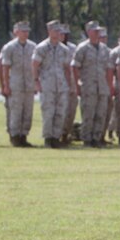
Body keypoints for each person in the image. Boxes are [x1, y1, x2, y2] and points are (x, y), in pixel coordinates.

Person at [72, 21, 115, 148]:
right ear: (88, 32)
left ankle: (97, 138)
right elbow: (75, 67)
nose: (97, 33)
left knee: (100, 114)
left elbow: (108, 69)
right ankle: (87, 139)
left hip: (102, 87)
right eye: (94, 31)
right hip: (88, 86)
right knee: (88, 114)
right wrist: (77, 84)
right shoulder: (82, 48)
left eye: (98, 31)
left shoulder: (105, 49)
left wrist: (109, 85)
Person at [32, 20, 73, 148]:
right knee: (48, 112)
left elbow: (67, 67)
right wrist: (36, 82)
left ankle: (56, 137)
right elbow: (35, 65)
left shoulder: (64, 49)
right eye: (55, 30)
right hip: (47, 84)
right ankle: (48, 138)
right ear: (49, 31)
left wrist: (70, 84)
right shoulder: (41, 48)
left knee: (60, 112)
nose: (57, 33)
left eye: (58, 31)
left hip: (61, 85)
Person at [0, 21, 37, 147]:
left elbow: (37, 66)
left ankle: (24, 136)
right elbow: (5, 67)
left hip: (29, 84)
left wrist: (36, 82)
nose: (25, 33)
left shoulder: (33, 47)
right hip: (15, 84)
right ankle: (14, 136)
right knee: (15, 111)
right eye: (23, 31)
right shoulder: (9, 47)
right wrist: (5, 85)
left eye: (27, 31)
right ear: (16, 32)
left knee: (27, 111)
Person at [60, 24, 78, 144]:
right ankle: (57, 135)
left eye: (65, 34)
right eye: (61, 33)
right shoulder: (52, 47)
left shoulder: (73, 48)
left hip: (71, 83)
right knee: (60, 111)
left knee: (71, 110)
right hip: (57, 84)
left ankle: (67, 134)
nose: (63, 36)